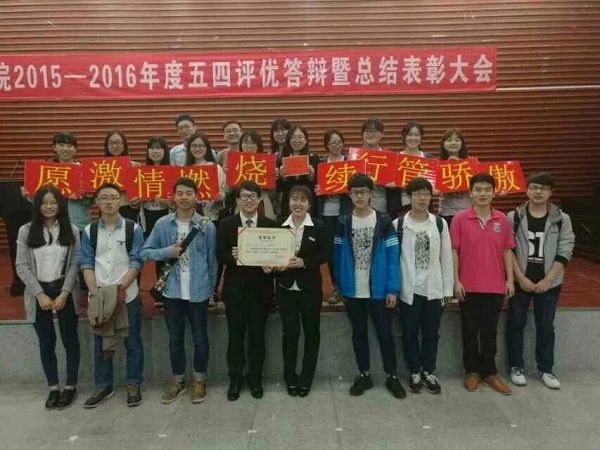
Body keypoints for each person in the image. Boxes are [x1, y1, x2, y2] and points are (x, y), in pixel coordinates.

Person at [141, 177, 218, 404]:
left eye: (188, 193)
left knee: (200, 338)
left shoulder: (207, 226)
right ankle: (178, 380)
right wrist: (167, 252)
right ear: (173, 197)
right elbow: (145, 252)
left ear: (197, 197)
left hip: (198, 291)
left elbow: (212, 261)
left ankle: (199, 379)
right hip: (172, 292)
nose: (184, 197)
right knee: (175, 339)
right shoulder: (162, 224)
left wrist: (211, 290)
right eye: (180, 193)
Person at [333, 173, 406, 399]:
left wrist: (392, 288)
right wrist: (340, 286)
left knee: (385, 334)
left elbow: (393, 256)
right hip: (353, 290)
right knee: (359, 334)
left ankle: (391, 376)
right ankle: (364, 374)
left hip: (379, 290)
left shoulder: (383, 220)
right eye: (355, 192)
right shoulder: (343, 222)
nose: (359, 196)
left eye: (363, 192)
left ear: (371, 194)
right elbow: (337, 256)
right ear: (349, 195)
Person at [506, 172, 575, 389]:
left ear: (550, 192)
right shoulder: (514, 217)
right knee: (516, 323)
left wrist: (548, 279)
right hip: (521, 281)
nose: (538, 192)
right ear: (526, 190)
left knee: (546, 326)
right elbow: (508, 249)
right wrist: (520, 278)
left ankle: (546, 369)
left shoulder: (562, 219)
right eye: (534, 187)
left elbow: (565, 250)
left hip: (549, 283)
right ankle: (516, 366)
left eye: (543, 188)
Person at [79, 183, 145, 408]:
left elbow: (136, 261)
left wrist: (120, 289)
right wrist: (94, 292)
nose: (108, 202)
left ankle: (134, 383)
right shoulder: (90, 231)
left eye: (113, 197)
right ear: (97, 202)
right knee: (100, 342)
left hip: (127, 294)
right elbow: (86, 262)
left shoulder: (132, 229)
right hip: (99, 294)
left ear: (121, 200)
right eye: (104, 197)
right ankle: (103, 385)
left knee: (132, 342)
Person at [15, 186, 81, 410]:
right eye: (44, 203)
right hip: (38, 291)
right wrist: (39, 294)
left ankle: (70, 386)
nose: (49, 206)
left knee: (70, 340)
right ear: (37, 205)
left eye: (54, 202)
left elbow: (75, 263)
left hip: (65, 290)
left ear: (60, 204)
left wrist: (65, 292)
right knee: (46, 341)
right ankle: (53, 387)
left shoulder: (72, 229)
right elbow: (21, 266)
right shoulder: (25, 231)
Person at [451, 173, 515, 395]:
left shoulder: (502, 219)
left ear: (494, 193)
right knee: (469, 332)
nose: (482, 194)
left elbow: (507, 250)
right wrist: (456, 280)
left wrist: (510, 280)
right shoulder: (460, 218)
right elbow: (454, 251)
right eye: (478, 189)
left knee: (489, 332)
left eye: (487, 189)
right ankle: (471, 371)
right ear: (470, 193)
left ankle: (489, 372)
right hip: (468, 286)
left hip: (495, 286)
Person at [393, 177, 453, 395]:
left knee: (431, 334)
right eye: (417, 194)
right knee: (409, 333)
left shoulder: (439, 224)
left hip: (433, 289)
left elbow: (446, 258)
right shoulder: (399, 224)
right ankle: (414, 371)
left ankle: (429, 370)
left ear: (431, 197)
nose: (421, 198)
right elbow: (394, 260)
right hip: (409, 290)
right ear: (409, 197)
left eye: (426, 194)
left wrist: (447, 290)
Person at [218, 181, 276, 401]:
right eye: (244, 196)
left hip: (261, 291)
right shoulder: (226, 224)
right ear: (238, 200)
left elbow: (277, 256)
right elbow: (219, 254)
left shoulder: (270, 225)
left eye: (253, 196)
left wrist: (272, 266)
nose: (249, 200)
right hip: (235, 291)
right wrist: (232, 256)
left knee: (257, 337)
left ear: (260, 200)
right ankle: (235, 378)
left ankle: (255, 377)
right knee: (235, 337)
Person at [271, 185, 329, 397]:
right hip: (285, 287)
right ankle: (290, 377)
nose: (298, 203)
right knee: (290, 333)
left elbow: (325, 254)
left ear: (309, 204)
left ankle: (306, 378)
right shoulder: (279, 224)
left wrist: (304, 262)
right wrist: (273, 266)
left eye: (303, 200)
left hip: (310, 288)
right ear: (288, 202)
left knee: (312, 333)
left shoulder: (319, 226)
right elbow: (271, 252)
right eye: (294, 199)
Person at [319, 129, 352, 305]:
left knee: (344, 250)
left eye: (339, 142)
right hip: (326, 214)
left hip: (344, 213)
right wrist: (318, 189)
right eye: (333, 143)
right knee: (330, 253)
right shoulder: (322, 163)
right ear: (327, 145)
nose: (336, 146)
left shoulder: (350, 162)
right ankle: (334, 287)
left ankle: (345, 287)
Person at [139, 137, 172, 305]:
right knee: (155, 254)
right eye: (152, 148)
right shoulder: (141, 172)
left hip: (166, 215)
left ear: (165, 151)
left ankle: (165, 288)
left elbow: (176, 200)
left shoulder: (172, 171)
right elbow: (134, 199)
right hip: (147, 216)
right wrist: (138, 198)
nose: (155, 151)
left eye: (159, 148)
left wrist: (167, 202)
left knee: (167, 253)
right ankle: (159, 290)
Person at [276, 124, 320, 218]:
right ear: (288, 140)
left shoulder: (313, 158)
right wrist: (283, 178)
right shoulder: (281, 160)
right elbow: (278, 189)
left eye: (300, 137)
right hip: (288, 203)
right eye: (293, 137)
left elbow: (318, 187)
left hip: (308, 203)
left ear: (306, 140)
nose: (297, 140)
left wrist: (311, 177)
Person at [184, 132, 226, 222]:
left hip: (211, 216)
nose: (197, 149)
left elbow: (223, 190)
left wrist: (221, 196)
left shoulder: (215, 168)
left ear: (207, 148)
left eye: (201, 146)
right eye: (194, 146)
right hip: (188, 217)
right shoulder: (184, 170)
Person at [103, 129, 140, 222]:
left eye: (118, 142)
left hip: (128, 210)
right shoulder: (100, 167)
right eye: (111, 143)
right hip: (106, 210)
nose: (115, 146)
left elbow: (140, 192)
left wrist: (138, 199)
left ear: (124, 145)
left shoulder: (135, 166)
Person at [438, 128, 472, 225]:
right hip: (446, 212)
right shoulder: (437, 164)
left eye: (457, 140)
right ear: (443, 144)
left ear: (462, 144)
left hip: (468, 211)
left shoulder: (471, 162)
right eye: (449, 140)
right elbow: (434, 188)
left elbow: (478, 184)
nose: (453, 143)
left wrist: (460, 165)